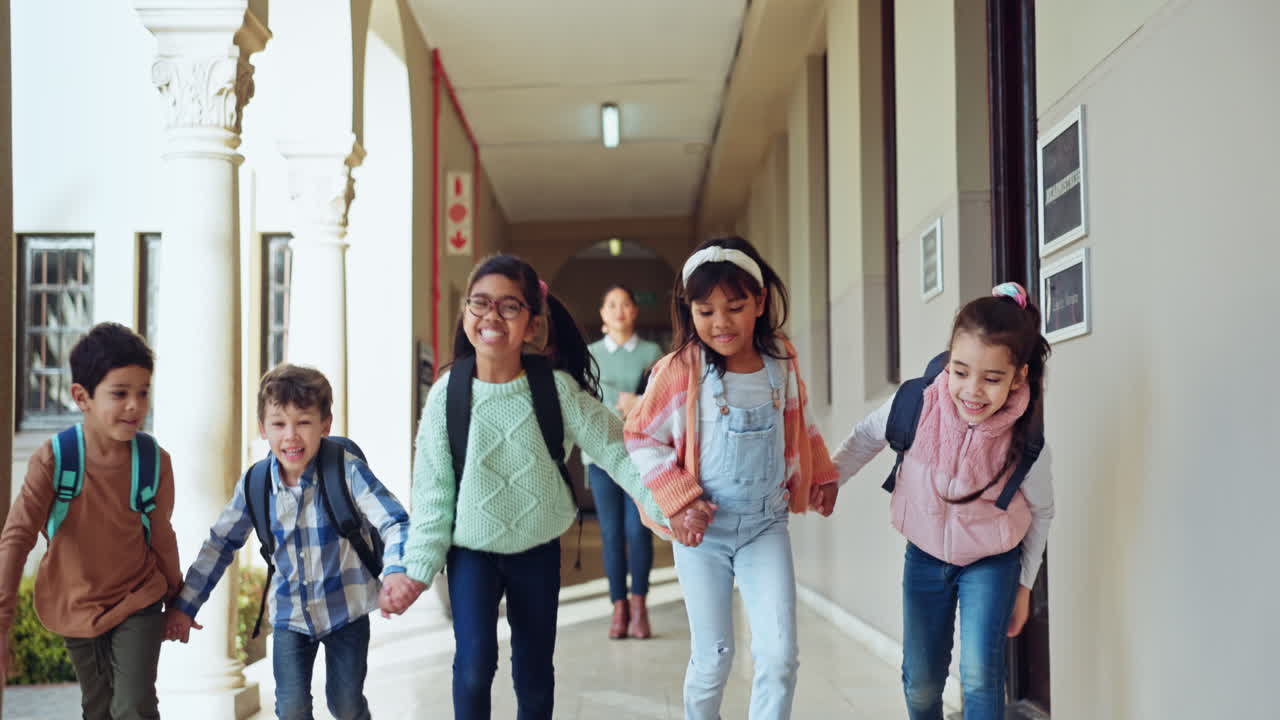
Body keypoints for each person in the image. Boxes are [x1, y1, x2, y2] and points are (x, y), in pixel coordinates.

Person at [392, 254, 669, 720]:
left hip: (538, 549)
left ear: (533, 323)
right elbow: (434, 492)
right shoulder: (447, 393)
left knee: (534, 674)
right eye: (479, 304)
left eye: (508, 306)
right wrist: (417, 570)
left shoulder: (555, 390)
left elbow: (618, 452)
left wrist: (667, 507)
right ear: (466, 315)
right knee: (474, 668)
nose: (491, 316)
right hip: (471, 553)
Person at [624, 236, 839, 720]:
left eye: (735, 307)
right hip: (704, 533)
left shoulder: (780, 360)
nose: (720, 323)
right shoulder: (680, 370)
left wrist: (821, 473)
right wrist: (679, 501)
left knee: (780, 657)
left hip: (765, 526)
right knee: (713, 657)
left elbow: (800, 424)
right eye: (705, 311)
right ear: (690, 311)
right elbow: (640, 436)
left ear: (760, 303)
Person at [829, 282, 1055, 720]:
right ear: (947, 361)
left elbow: (1042, 511)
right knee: (921, 682)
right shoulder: (917, 403)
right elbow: (864, 438)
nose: (972, 390)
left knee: (979, 677)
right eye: (960, 371)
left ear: (1018, 377)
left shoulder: (1026, 437)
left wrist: (1024, 586)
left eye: (992, 379)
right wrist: (829, 481)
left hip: (993, 561)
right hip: (925, 556)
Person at [165, 364, 413, 720]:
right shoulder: (256, 484)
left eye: (304, 422)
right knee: (291, 709)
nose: (291, 436)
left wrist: (395, 572)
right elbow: (220, 544)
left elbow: (396, 522)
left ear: (326, 425)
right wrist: (184, 607)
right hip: (289, 617)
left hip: (347, 611)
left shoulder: (346, 469)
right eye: (279, 424)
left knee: (346, 705)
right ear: (262, 428)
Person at [0, 322, 182, 719]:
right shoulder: (55, 459)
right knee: (98, 709)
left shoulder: (153, 462)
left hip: (139, 597)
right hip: (76, 603)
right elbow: (17, 537)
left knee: (133, 705)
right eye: (120, 393)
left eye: (143, 392)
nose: (135, 405)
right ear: (81, 397)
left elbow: (161, 536)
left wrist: (179, 600)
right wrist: (3, 619)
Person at [585, 284, 663, 639]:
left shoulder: (652, 352)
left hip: (642, 457)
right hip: (601, 456)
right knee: (612, 535)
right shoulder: (589, 354)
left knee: (638, 531)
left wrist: (640, 404)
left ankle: (639, 607)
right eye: (611, 304)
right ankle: (618, 608)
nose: (619, 310)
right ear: (602, 313)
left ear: (635, 311)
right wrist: (619, 401)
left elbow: (664, 402)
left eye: (625, 304)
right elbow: (583, 404)